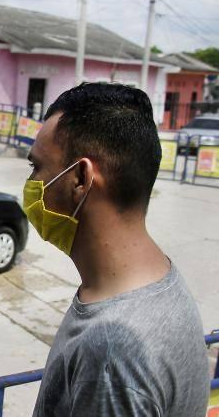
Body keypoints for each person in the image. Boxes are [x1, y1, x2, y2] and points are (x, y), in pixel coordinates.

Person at [27, 83, 209, 416]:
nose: (31, 185)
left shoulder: (111, 355)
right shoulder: (157, 277)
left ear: (81, 178)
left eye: (36, 168)